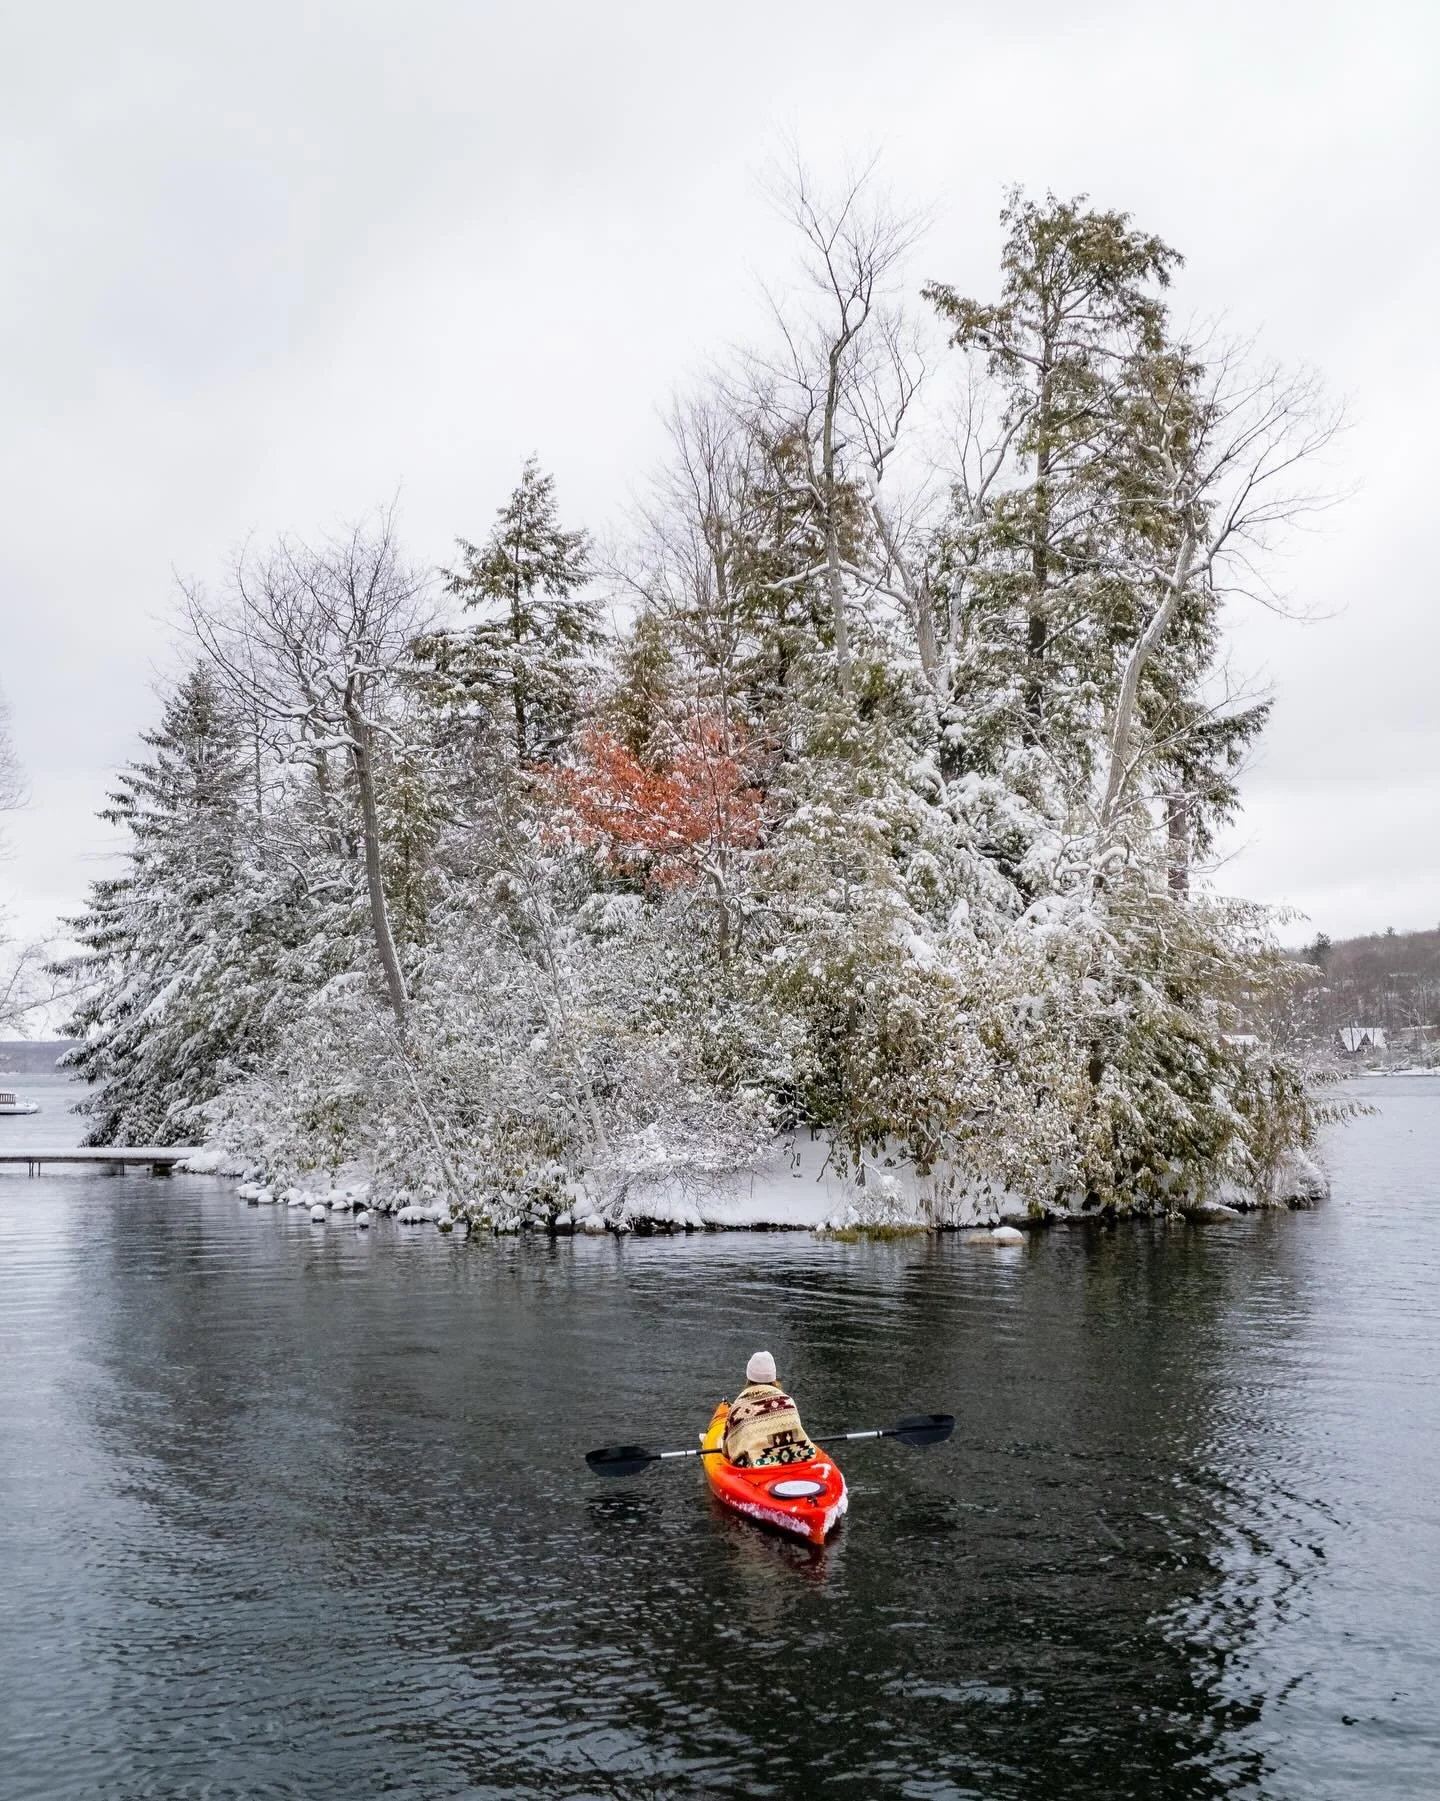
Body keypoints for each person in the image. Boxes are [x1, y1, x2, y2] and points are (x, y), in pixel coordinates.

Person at [723, 1351, 817, 1467]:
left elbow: (727, 1450)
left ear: (749, 1377)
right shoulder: (788, 1401)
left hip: (756, 1468)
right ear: (773, 1377)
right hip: (795, 1459)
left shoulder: (738, 1408)